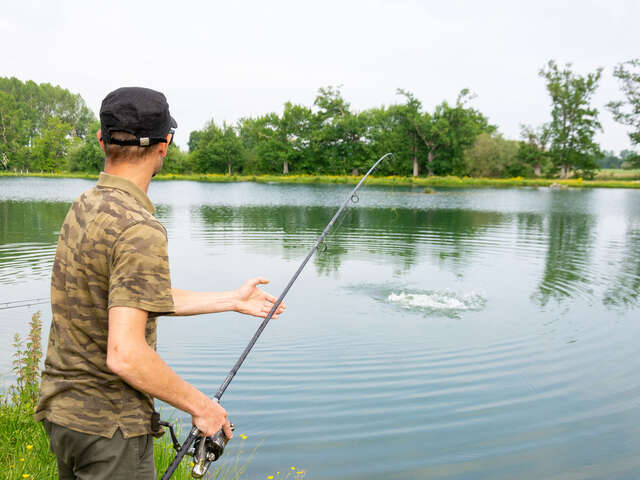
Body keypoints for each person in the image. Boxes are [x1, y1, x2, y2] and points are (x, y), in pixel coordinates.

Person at [35, 86, 286, 479]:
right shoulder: (138, 227)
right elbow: (125, 353)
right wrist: (203, 408)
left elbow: (129, 298)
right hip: (110, 430)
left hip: (63, 416)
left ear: (102, 140)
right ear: (164, 144)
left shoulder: (85, 205)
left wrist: (231, 299)